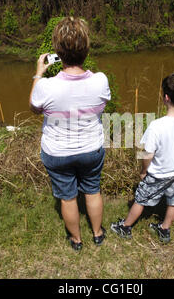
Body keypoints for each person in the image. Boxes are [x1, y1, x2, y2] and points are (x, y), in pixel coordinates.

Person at [29, 17, 111, 251]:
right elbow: (101, 100)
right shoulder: (100, 80)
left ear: (58, 52)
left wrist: (38, 74)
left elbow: (34, 108)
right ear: (86, 49)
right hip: (91, 149)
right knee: (93, 190)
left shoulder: (46, 86)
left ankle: (76, 240)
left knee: (67, 197)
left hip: (57, 152)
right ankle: (97, 233)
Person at [110, 73, 174, 244]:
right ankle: (165, 229)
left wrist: (144, 171)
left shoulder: (156, 125)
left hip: (157, 173)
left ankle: (126, 226)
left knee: (141, 200)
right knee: (173, 202)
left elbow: (147, 154)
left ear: (165, 97)